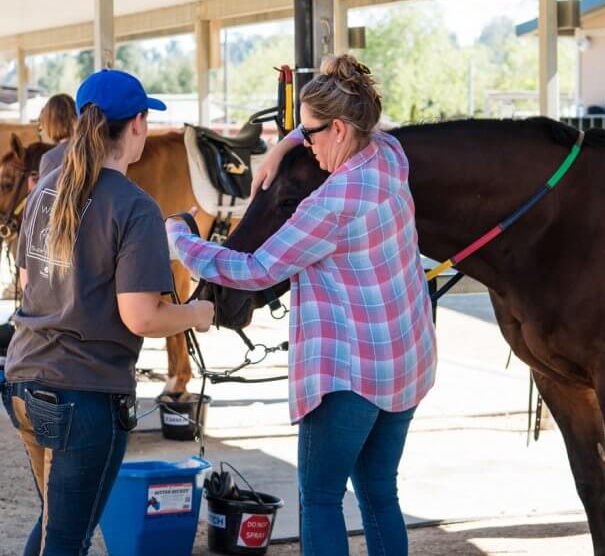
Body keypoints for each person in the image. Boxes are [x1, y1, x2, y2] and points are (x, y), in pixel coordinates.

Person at [166, 54, 437, 556]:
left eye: (309, 135)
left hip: (350, 377)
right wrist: (283, 146)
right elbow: (330, 129)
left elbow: (255, 269)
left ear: (338, 129)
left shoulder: (328, 207)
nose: (305, 145)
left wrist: (182, 240)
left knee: (320, 499)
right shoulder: (390, 155)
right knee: (380, 494)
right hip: (405, 364)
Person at [0, 69, 214, 555]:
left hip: (24, 382)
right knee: (66, 539)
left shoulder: (44, 191)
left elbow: (29, 284)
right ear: (138, 125)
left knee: (55, 528)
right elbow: (141, 316)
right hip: (83, 396)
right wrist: (197, 313)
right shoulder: (136, 207)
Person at [37, 92, 76, 179]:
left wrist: (35, 187)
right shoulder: (89, 149)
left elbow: (48, 188)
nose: (41, 129)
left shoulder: (50, 159)